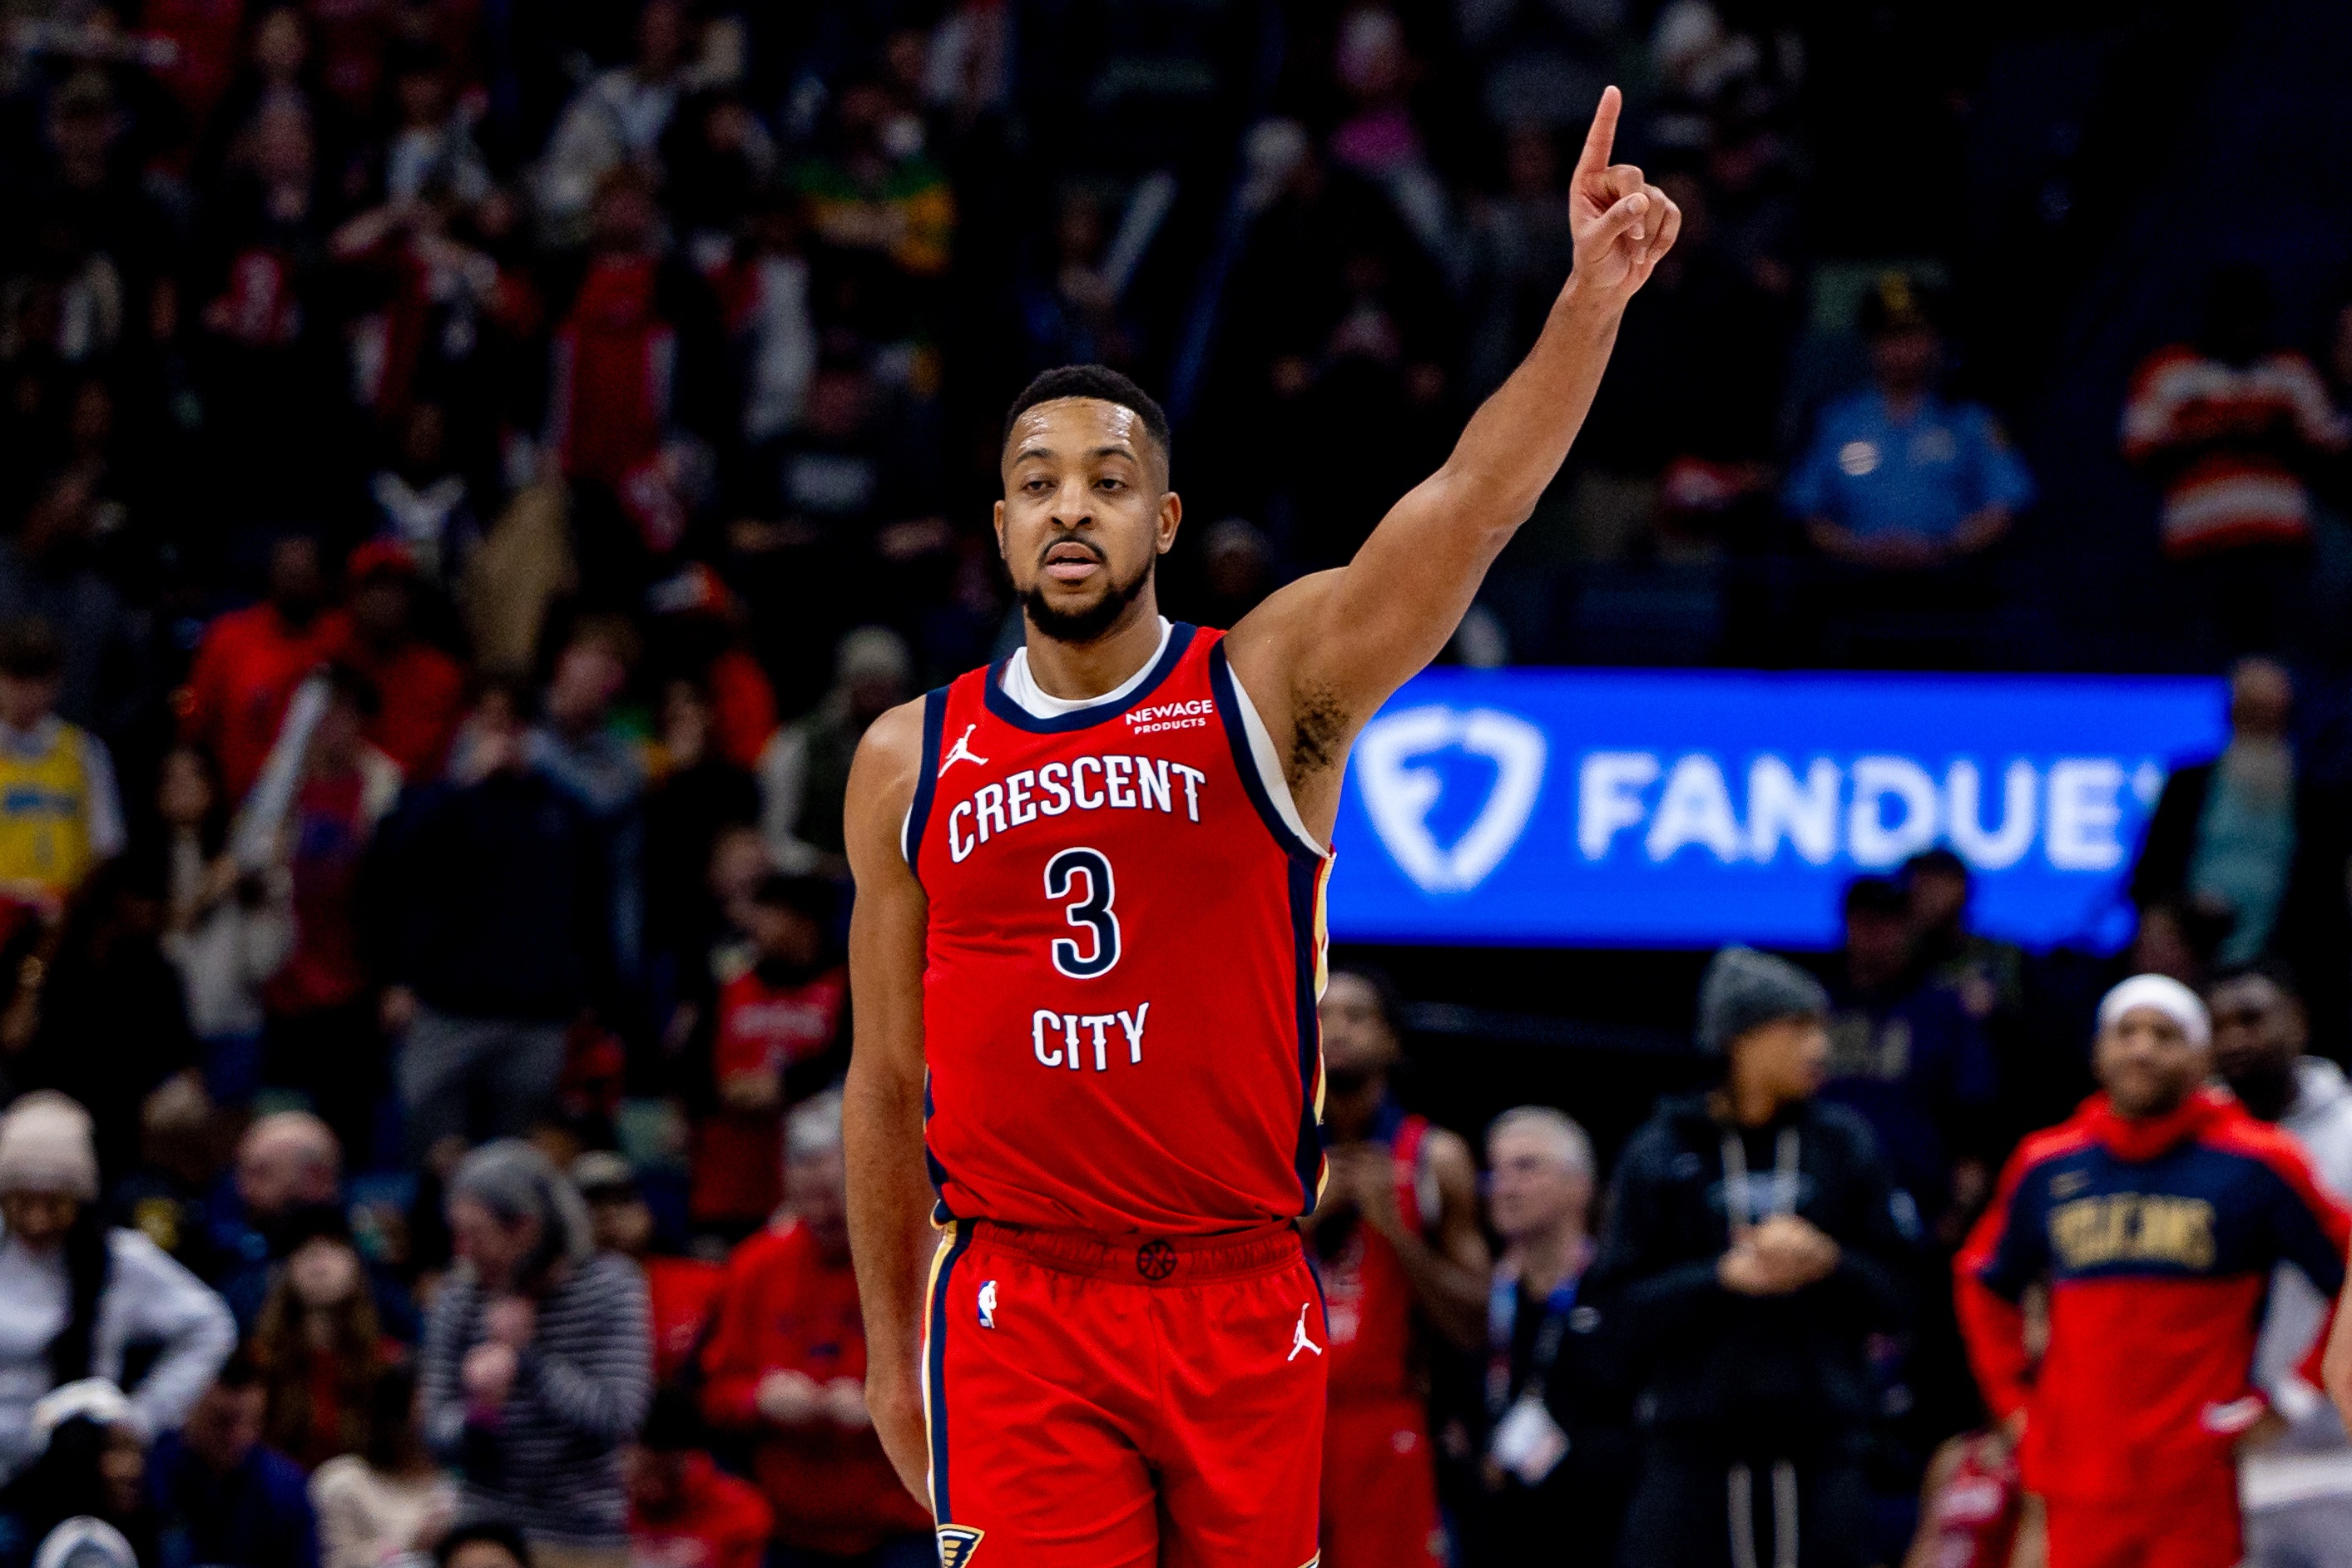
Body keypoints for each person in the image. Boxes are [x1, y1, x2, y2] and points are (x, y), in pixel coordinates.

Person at [844, 87, 1680, 1563]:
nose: (1071, 510)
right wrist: (883, 1346)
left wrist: (1586, 305)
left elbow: (1469, 504)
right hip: (1016, 1299)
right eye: (1036, 486)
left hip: (1238, 1283)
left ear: (1164, 523)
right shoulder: (908, 755)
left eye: (1110, 482)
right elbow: (884, 1080)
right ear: (999, 527)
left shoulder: (1267, 682)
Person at [1957, 975, 2352, 1568]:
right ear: (2098, 1052)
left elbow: (2344, 1266)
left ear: (2201, 1056)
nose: (2141, 1049)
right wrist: (2015, 1405)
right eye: (2126, 1033)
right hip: (2080, 1474)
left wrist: (2294, 1394)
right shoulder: (2047, 1163)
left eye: (2164, 1035)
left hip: (2198, 1474)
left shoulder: (2258, 1159)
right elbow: (1983, 1281)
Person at [1589, 946, 1910, 1568]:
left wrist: (1829, 1261)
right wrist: (1718, 1278)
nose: (1819, 1046)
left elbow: (1905, 1295)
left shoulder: (1844, 1145)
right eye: (1798, 1027)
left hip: (1823, 1450)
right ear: (1740, 1037)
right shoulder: (1660, 1151)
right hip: (1691, 1454)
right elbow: (1613, 1314)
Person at [374, 685, 612, 1165]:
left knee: (516, 1162)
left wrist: (588, 991)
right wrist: (395, 978)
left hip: (533, 1016)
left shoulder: (563, 810)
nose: (500, 737)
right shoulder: (438, 803)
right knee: (434, 1156)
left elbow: (590, 908)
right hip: (445, 1011)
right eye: (489, 722)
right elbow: (393, 872)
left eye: (512, 724)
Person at [1302, 969, 1488, 1568]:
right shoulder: (1271, 1154)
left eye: (1356, 1016)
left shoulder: (1435, 1157)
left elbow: (1477, 1321)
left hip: (1387, 1417)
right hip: (1282, 1414)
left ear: (1392, 1040)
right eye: (1322, 1015)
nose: (1336, 1030)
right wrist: (1300, 1226)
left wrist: (1398, 1235)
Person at [700, 1092, 932, 1566]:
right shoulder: (756, 1266)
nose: (823, 1214)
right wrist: (759, 1399)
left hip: (902, 1529)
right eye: (808, 1199)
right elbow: (715, 1392)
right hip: (789, 1529)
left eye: (835, 1198)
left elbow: (961, 1394)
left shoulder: (919, 1266)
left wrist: (886, 1407)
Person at [417, 1140, 650, 1568]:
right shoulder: (458, 1298)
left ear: (526, 1229)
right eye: (458, 1234)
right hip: (485, 1534)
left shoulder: (610, 1288)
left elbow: (619, 1417)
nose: (462, 1251)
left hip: (581, 1534)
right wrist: (480, 1412)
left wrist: (529, 1361)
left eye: (476, 1235)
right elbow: (436, 1434)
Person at [0, 1093, 235, 1484]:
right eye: (21, 1203)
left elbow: (210, 1325)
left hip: (72, 1468)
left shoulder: (119, 1261)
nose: (37, 1221)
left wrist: (141, 1418)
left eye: (54, 1204)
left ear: (80, 1199)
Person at [2122, 265, 2349, 655]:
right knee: (2204, 660)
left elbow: (2330, 446)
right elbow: (2139, 448)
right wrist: (2215, 430)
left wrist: (2275, 433)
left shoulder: (2290, 372)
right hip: (2199, 548)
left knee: (2280, 659)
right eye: (2234, 316)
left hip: (2279, 547)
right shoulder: (2169, 371)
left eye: (2252, 317)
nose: (2243, 328)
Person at [2206, 963, 2352, 1568]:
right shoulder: (2187, 1139)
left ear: (2297, 1021)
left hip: (2336, 1447)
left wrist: (2295, 1395)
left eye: (2251, 1019)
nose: (2234, 1039)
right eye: (2217, 1025)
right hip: (2217, 1445)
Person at [2130, 659, 2350, 1049]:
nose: (2257, 719)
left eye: (2268, 710)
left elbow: (2328, 895)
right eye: (2248, 708)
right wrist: (2182, 917)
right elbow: (2150, 875)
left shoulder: (2315, 801)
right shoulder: (2188, 785)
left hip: (2286, 961)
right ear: (2231, 711)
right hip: (2192, 958)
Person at [1786, 272, 2034, 577]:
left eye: (1913, 336)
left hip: (1952, 587)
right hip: (1855, 588)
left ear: (1936, 341)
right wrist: (1861, 550)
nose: (1901, 350)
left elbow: (2003, 507)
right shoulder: (1836, 421)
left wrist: (1943, 548)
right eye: (1889, 337)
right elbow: (1807, 513)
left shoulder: (1971, 421)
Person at [1473, 1107, 1633, 1568]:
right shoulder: (1481, 1295)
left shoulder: (1620, 1292)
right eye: (1495, 1171)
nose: (1504, 1187)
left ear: (1579, 1186)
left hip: (1599, 1534)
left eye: (1526, 1167)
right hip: (1498, 1534)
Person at [687, 873, 847, 1238]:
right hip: (727, 1186)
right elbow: (691, 1070)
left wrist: (786, 1085)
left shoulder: (846, 987)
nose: (755, 924)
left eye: (769, 912)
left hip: (817, 1193)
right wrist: (728, 1092)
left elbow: (850, 1065)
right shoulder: (727, 986)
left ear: (803, 920)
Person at [179, 536, 340, 804]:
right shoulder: (229, 637)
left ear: (321, 581)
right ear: (271, 576)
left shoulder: (339, 639)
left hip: (315, 808)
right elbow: (194, 727)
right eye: (288, 574)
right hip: (233, 802)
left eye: (303, 576)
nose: (295, 584)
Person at [249, 1206, 395, 1468]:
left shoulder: (386, 1361)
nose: (318, 1258)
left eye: (333, 1246)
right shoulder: (260, 1359)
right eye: (304, 1248)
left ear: (355, 1264)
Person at [0, 618, 125, 922]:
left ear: (56, 682)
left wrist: (75, 912)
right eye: (18, 679)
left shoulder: (84, 752)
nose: (30, 693)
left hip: (68, 921)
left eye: (40, 680)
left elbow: (107, 845)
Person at [149, 1351, 320, 1568]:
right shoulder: (152, 1474)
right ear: (190, 1411)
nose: (239, 1437)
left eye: (253, 1423)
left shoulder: (286, 1489)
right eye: (224, 1422)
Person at [570, 1154, 722, 1389]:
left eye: (622, 1201)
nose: (609, 1214)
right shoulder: (564, 1302)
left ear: (647, 1211)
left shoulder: (707, 1280)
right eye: (592, 1206)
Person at [309, 1365, 458, 1568]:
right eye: (419, 1411)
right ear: (392, 1417)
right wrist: (412, 1543)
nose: (426, 1424)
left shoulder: (445, 1486)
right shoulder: (341, 1482)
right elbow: (334, 1561)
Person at [0, 1379, 156, 1568]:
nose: (134, 1468)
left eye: (137, 1451)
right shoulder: (11, 1542)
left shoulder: (157, 1536)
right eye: (114, 1449)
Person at [623, 1391, 770, 1568]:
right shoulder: (611, 1505)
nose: (654, 1489)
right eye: (645, 1473)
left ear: (687, 1458)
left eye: (667, 1476)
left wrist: (710, 1556)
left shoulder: (740, 1509)